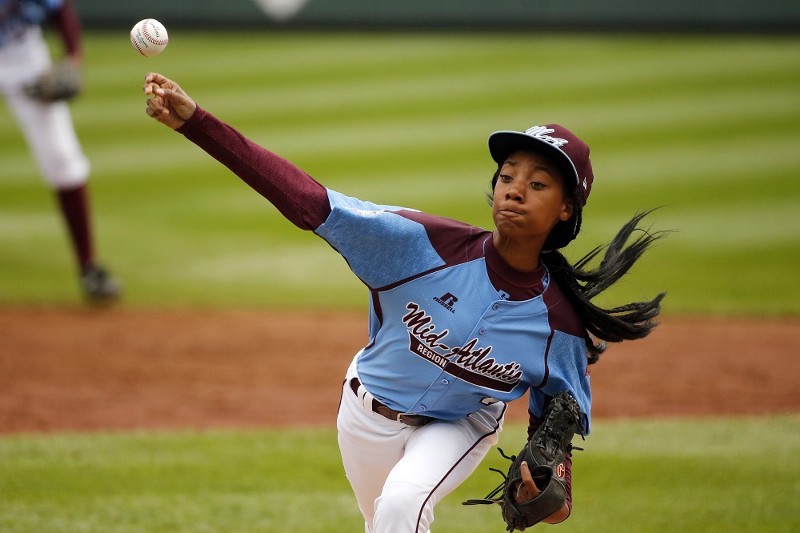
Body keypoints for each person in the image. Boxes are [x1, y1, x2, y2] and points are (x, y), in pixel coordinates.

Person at [142, 72, 666, 532]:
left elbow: (557, 495)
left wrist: (547, 490)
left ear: (566, 209)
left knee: (402, 505)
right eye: (506, 176)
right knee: (384, 522)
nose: (514, 189)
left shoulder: (561, 327)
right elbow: (307, 199)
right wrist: (197, 123)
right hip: (362, 414)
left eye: (537, 183)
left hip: (460, 427)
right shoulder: (420, 246)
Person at [0, 0, 120, 302]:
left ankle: (89, 268)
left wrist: (74, 56)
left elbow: (58, 5)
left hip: (20, 53)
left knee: (62, 158)